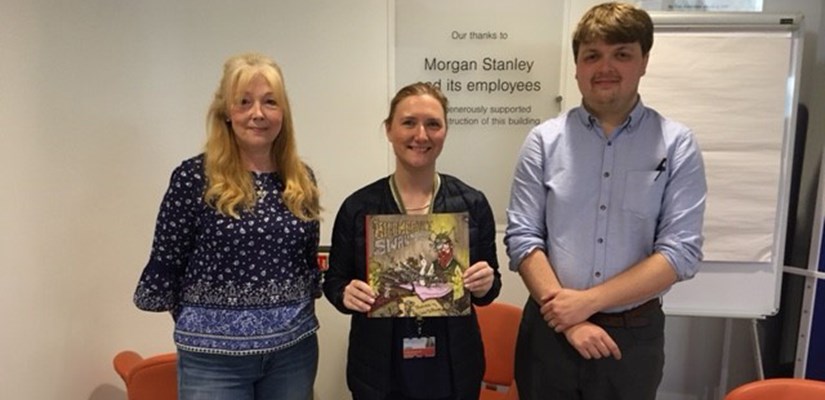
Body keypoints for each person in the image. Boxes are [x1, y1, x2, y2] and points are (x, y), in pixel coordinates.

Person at [504, 3, 707, 400]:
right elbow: (523, 238)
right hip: (549, 335)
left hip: (632, 342)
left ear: (644, 60)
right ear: (577, 65)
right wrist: (569, 320)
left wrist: (586, 304)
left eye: (622, 54)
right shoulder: (543, 142)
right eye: (592, 55)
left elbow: (680, 253)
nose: (605, 67)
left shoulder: (677, 144)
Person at [133, 52, 322, 400]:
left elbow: (307, 264)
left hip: (292, 354)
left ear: (284, 113)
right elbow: (168, 260)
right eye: (244, 102)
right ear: (226, 113)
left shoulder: (301, 180)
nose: (258, 114)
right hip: (213, 363)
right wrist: (211, 327)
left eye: (270, 102)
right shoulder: (193, 177)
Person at [323, 82, 502, 400]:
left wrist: (485, 283)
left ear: (445, 131)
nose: (421, 135)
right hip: (379, 366)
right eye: (408, 122)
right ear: (389, 130)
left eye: (433, 124)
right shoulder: (358, 207)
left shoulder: (471, 204)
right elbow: (335, 281)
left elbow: (490, 290)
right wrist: (345, 293)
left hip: (453, 363)